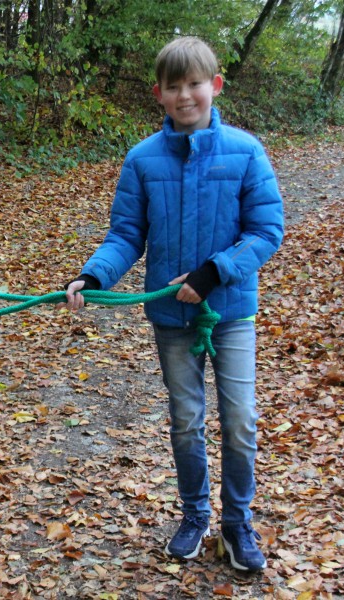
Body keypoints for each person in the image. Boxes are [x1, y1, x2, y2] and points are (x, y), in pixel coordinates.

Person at [61, 36, 284, 572]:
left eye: (195, 84)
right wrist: (95, 275)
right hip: (172, 318)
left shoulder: (246, 151)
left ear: (215, 86)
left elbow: (267, 229)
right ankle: (194, 514)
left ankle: (236, 525)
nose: (186, 95)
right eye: (174, 87)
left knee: (240, 420)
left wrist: (214, 271)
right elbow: (125, 235)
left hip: (230, 313)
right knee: (186, 420)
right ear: (158, 94)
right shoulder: (142, 159)